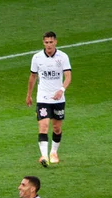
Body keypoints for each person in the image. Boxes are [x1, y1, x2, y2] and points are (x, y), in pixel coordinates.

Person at [26, 31, 72, 167]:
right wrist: (29, 94)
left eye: (51, 42)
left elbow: (68, 76)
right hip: (43, 98)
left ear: (55, 42)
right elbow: (32, 77)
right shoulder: (37, 58)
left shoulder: (63, 57)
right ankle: (44, 156)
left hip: (58, 99)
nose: (49, 45)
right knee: (43, 125)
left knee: (57, 128)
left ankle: (53, 152)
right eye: (46, 42)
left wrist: (61, 90)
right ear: (43, 43)